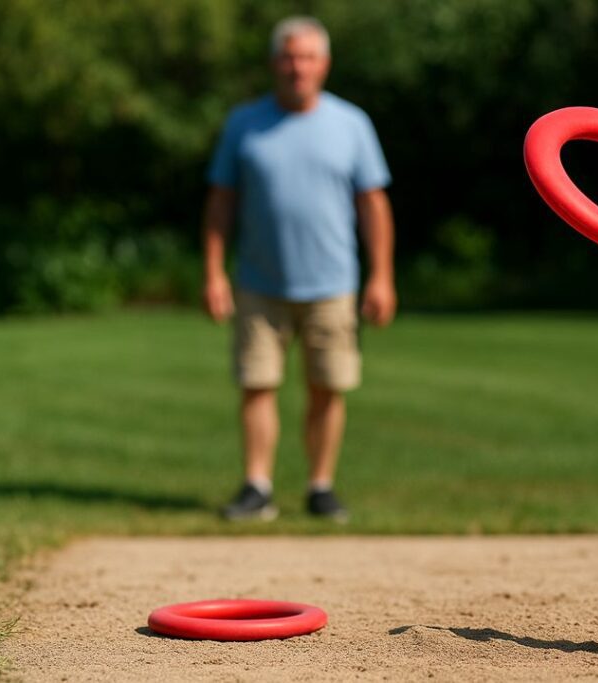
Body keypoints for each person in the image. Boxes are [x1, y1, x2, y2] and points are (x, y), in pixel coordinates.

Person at [201, 16, 396, 522]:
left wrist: (381, 276)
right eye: (289, 57)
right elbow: (220, 203)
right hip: (258, 282)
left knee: (327, 387)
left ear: (324, 65)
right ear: (274, 63)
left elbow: (373, 205)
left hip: (332, 283)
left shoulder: (351, 124)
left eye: (307, 57)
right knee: (257, 383)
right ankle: (256, 486)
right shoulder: (244, 123)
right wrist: (213, 272)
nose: (297, 67)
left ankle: (320, 486)